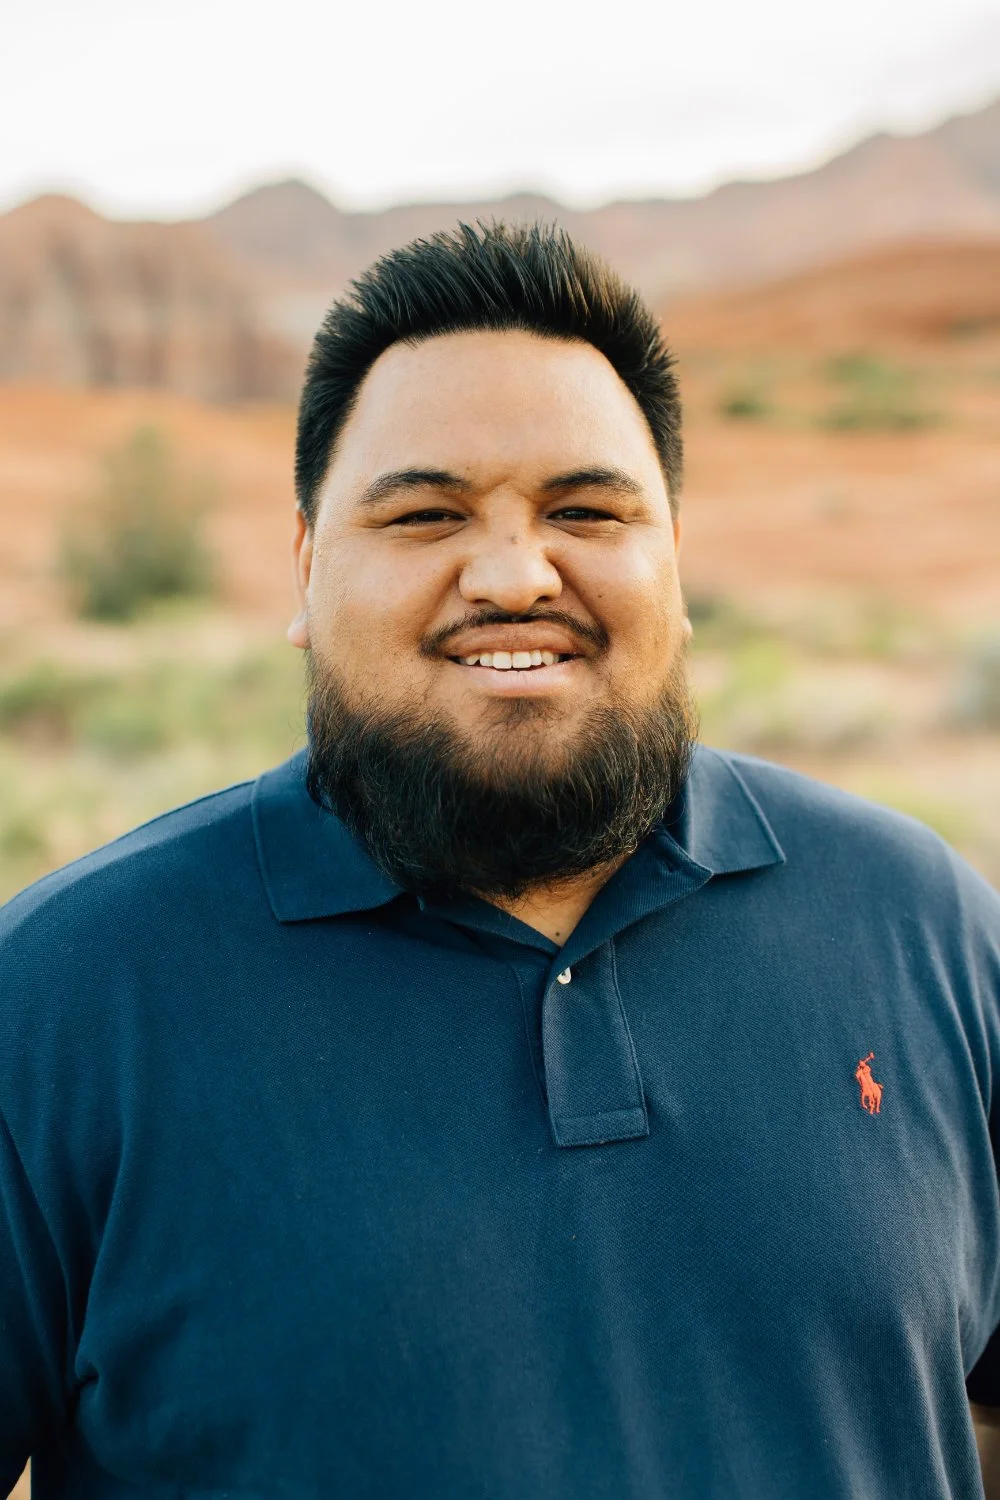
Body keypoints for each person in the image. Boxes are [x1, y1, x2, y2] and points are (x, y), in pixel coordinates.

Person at [2, 222, 999, 1500]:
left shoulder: (924, 925)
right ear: (308, 572)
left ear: (675, 564)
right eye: (426, 514)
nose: (516, 572)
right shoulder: (65, 998)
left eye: (586, 510)